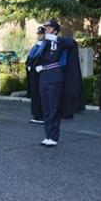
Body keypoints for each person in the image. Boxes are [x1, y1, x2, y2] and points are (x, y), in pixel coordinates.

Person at [32, 19, 83, 147]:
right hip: (44, 77)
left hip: (55, 78)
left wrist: (56, 38)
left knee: (54, 108)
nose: (47, 30)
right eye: (46, 28)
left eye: (49, 28)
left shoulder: (59, 42)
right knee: (46, 109)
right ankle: (47, 135)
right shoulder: (45, 44)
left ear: (55, 30)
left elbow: (72, 43)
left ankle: (53, 137)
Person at [26, 26, 46, 125]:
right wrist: (29, 65)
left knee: (40, 94)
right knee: (34, 93)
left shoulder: (45, 45)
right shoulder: (36, 46)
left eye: (41, 34)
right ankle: (36, 115)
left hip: (41, 73)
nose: (39, 36)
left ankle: (42, 115)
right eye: (38, 34)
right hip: (34, 73)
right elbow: (30, 57)